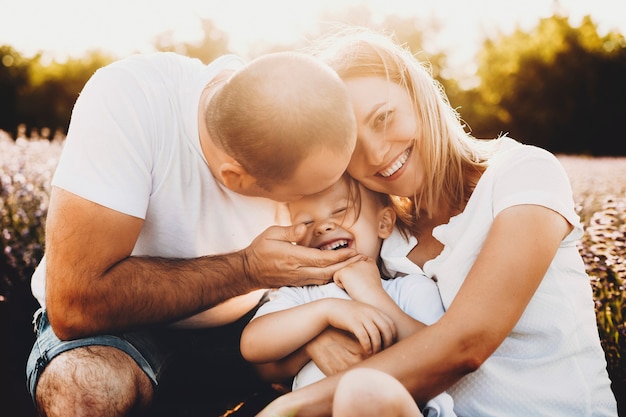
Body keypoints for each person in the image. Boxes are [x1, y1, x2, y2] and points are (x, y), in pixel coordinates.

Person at [256, 27, 618, 417]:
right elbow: (269, 359)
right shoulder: (382, 231)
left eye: (383, 118)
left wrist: (292, 407)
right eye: (351, 146)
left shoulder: (523, 174)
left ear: (418, 92)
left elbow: (468, 344)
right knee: (367, 397)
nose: (376, 153)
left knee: (365, 393)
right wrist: (318, 336)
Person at [25, 50, 361, 416]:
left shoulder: (302, 119)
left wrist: (314, 323)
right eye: (300, 196)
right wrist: (247, 270)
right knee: (84, 387)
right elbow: (76, 304)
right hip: (116, 329)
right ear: (235, 178)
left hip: (254, 326)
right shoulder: (133, 98)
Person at [240, 173, 455, 416]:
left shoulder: (409, 288)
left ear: (383, 223)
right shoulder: (302, 295)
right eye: (307, 222)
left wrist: (371, 293)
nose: (323, 226)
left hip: (399, 408)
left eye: (340, 210)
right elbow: (252, 344)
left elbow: (439, 354)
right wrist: (328, 311)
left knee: (364, 393)